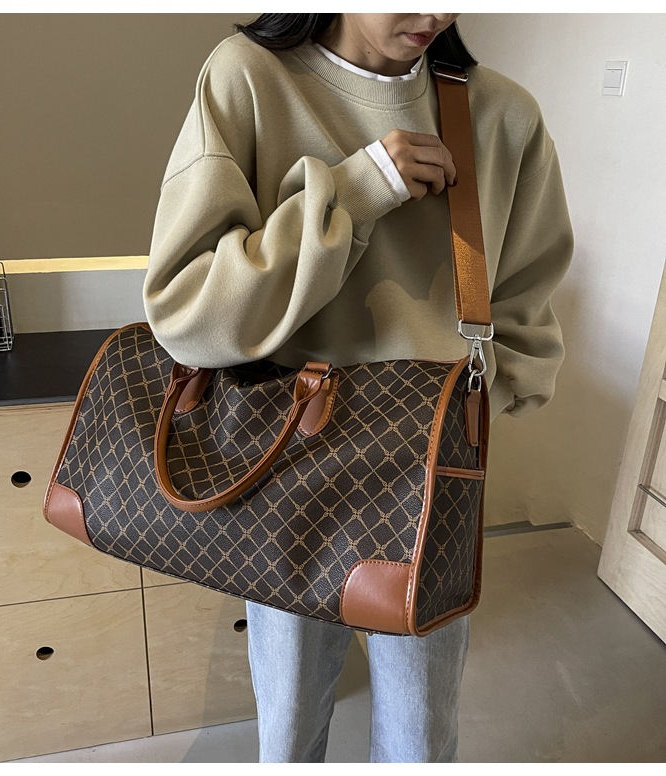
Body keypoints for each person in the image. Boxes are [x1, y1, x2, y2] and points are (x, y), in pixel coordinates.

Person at [143, 13, 573, 763]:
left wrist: (474, 413)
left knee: (420, 737)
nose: (433, 13)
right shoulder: (249, 77)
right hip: (285, 460)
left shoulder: (502, 115)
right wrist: (358, 187)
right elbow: (189, 312)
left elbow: (525, 307)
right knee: (287, 727)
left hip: (428, 476)